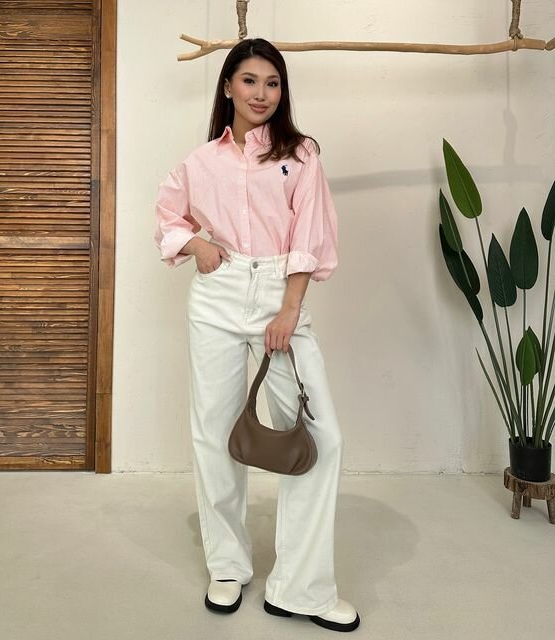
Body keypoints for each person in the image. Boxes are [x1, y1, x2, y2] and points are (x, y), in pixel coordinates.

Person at [154, 38, 360, 633]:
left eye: (272, 82)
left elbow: (311, 232)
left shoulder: (301, 154)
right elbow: (166, 216)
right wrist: (196, 243)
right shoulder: (201, 162)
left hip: (279, 294)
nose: (262, 93)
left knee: (320, 436)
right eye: (249, 80)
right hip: (217, 297)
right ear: (228, 86)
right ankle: (227, 566)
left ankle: (302, 587)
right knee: (215, 432)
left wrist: (290, 308)